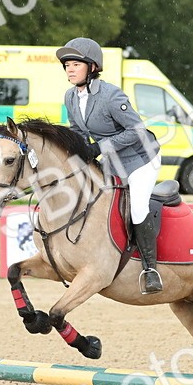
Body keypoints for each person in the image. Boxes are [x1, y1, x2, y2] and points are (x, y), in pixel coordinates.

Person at [57, 37, 164, 294]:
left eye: (75, 64)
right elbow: (77, 131)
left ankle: (151, 269)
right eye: (67, 65)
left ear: (92, 67)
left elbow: (137, 130)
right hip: (113, 161)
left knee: (137, 208)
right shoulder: (70, 97)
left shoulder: (111, 95)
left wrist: (99, 147)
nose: (69, 69)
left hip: (141, 159)